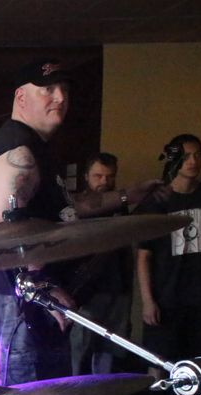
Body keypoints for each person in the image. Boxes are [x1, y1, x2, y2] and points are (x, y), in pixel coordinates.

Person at [0, 59, 165, 395]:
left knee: (43, 393)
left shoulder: (38, 150)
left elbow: (70, 207)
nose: (60, 97)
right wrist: (41, 284)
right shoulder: (19, 155)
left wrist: (127, 195)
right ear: (21, 97)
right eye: (47, 89)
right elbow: (7, 233)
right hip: (15, 296)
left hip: (26, 293)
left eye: (65, 90)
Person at [137, 134, 201, 372]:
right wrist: (148, 300)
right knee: (158, 360)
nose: (193, 161)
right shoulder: (158, 201)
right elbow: (144, 256)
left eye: (198, 155)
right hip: (166, 297)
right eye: (187, 156)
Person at [69, 153, 134, 378]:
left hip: (117, 286)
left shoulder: (120, 205)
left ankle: (103, 392)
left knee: (110, 346)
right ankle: (74, 394)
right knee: (79, 347)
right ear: (86, 176)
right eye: (98, 176)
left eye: (110, 176)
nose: (104, 181)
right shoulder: (78, 206)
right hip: (87, 290)